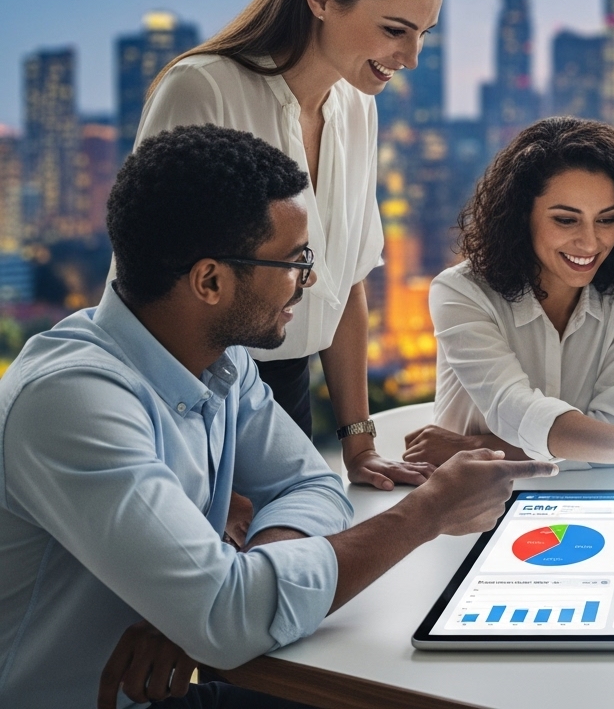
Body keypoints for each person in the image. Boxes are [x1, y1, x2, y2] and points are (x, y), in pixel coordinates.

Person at [0, 126, 558, 709]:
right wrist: (428, 512)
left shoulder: (220, 361)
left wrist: (210, 597)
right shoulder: (72, 403)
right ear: (210, 281)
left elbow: (309, 484)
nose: (307, 281)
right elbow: (226, 615)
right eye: (294, 262)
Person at [130, 0, 450, 490]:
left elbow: (347, 282)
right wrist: (204, 462)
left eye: (423, 34)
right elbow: (152, 289)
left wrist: (359, 444)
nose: (411, 56)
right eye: (395, 30)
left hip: (287, 396)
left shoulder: (358, 105)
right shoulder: (203, 89)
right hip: (189, 401)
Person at [402, 117, 614, 513]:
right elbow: (513, 407)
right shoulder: (460, 292)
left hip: (584, 502)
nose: (590, 241)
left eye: (606, 219)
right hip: (465, 506)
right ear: (522, 216)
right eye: (566, 220)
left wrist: (471, 447)